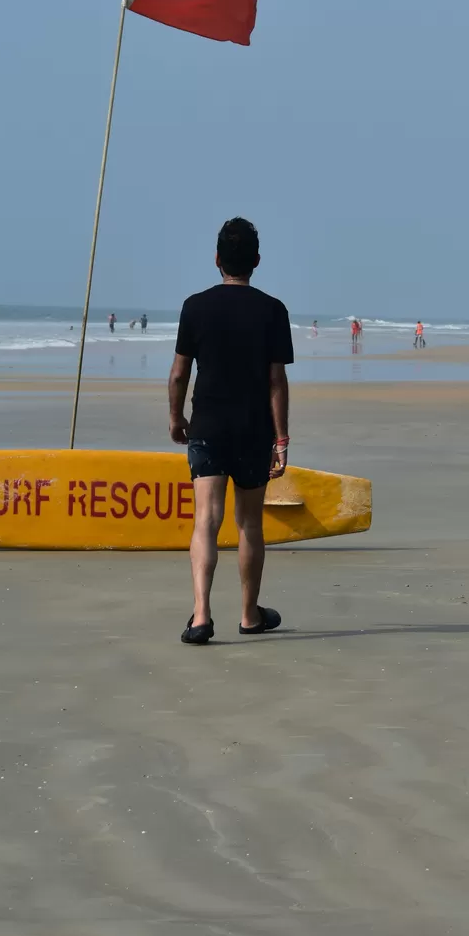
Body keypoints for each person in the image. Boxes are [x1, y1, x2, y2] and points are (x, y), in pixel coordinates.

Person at [168, 217, 293, 645]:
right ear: (256, 260)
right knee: (249, 524)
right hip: (253, 428)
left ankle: (201, 615)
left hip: (207, 425)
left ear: (217, 259)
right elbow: (276, 381)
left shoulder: (195, 306)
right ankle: (249, 615)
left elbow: (179, 374)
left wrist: (175, 418)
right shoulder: (273, 310)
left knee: (206, 520)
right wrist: (281, 439)